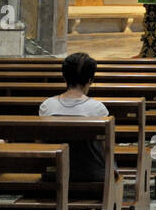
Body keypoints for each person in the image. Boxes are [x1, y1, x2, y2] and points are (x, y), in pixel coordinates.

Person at [39, 52, 110, 183]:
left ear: (64, 77)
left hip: (54, 173)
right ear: (90, 80)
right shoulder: (98, 109)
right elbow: (106, 149)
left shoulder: (47, 106)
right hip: (90, 174)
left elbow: (43, 143)